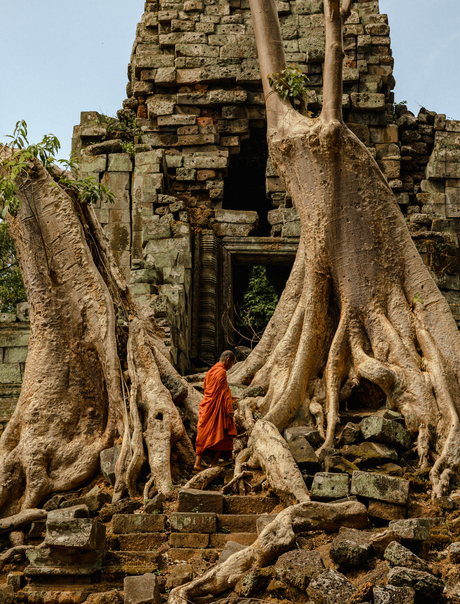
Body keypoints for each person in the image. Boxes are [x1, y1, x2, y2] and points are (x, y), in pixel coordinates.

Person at [194, 350, 238, 473]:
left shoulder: (210, 371)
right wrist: (229, 410)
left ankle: (197, 463)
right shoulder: (222, 372)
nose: (231, 367)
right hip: (217, 409)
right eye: (232, 363)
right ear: (228, 360)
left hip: (207, 406)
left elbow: (209, 390)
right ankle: (213, 463)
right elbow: (223, 393)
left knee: (203, 435)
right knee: (224, 434)